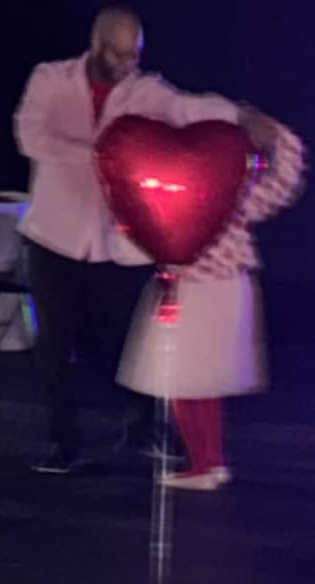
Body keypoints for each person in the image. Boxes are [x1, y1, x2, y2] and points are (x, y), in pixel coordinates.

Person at [14, 7, 191, 474]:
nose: (128, 65)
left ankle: (144, 425)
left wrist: (241, 115)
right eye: (120, 54)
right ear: (96, 46)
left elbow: (186, 110)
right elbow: (31, 137)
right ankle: (63, 441)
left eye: (135, 55)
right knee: (54, 344)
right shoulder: (51, 79)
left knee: (126, 343)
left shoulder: (145, 90)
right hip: (54, 236)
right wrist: (102, 154)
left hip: (119, 242)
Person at [117, 107, 302, 491]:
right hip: (200, 286)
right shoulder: (202, 192)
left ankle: (205, 464)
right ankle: (209, 461)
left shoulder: (236, 192)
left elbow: (285, 176)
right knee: (195, 383)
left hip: (206, 288)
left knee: (187, 380)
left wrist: (273, 132)